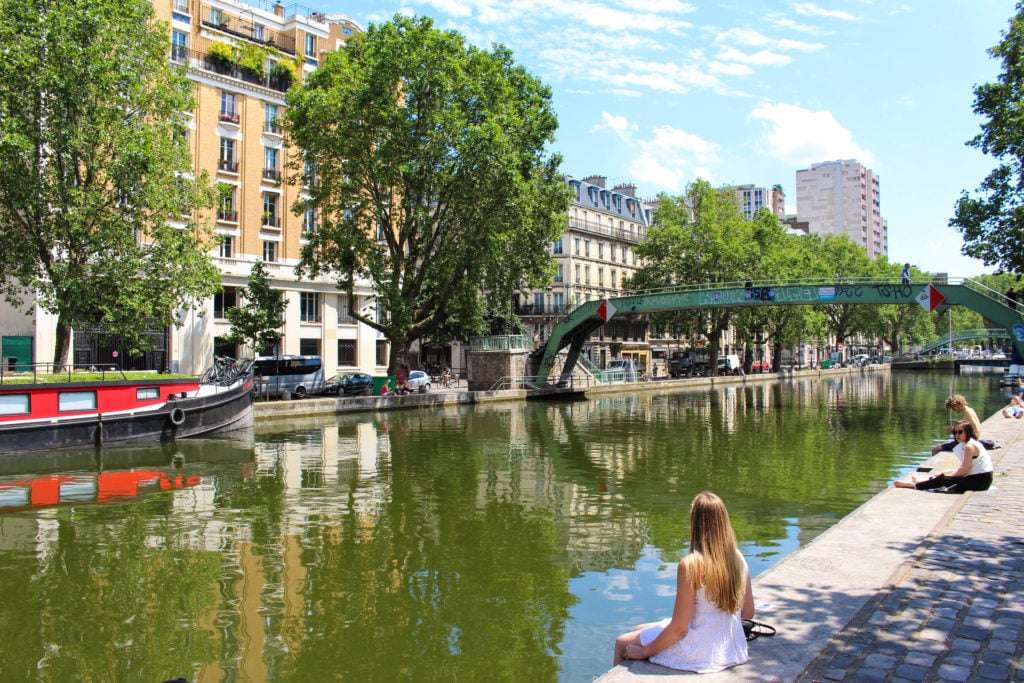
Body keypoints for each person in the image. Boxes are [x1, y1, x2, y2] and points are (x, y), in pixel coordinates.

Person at [613, 492, 754, 673]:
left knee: (622, 642)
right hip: (730, 648)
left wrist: (644, 652)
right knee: (639, 629)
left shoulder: (691, 565)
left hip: (700, 651)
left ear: (695, 523)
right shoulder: (737, 558)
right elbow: (748, 612)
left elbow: (679, 628)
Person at [895, 420, 993, 493]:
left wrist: (946, 476)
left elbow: (964, 471)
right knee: (946, 472)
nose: (957, 435)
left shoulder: (969, 446)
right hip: (980, 478)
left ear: (968, 432)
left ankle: (914, 485)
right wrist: (945, 473)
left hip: (980, 481)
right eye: (955, 432)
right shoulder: (968, 444)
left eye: (960, 432)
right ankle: (925, 481)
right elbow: (963, 468)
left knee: (944, 479)